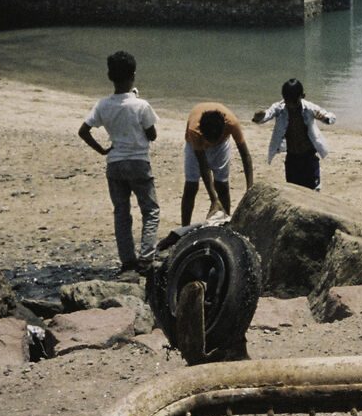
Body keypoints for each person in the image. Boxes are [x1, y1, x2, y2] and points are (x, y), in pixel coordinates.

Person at [77, 51, 160, 277]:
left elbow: (83, 131)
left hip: (115, 163)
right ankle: (146, 258)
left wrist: (101, 149)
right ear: (133, 76)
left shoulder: (102, 105)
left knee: (122, 213)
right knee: (150, 210)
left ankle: (128, 261)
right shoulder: (141, 105)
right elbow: (152, 135)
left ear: (109, 76)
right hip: (138, 162)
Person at [252, 79, 335, 191]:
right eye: (288, 102)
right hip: (292, 158)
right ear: (284, 98)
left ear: (302, 96)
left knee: (313, 191)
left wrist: (325, 118)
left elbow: (332, 117)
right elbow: (266, 115)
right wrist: (258, 117)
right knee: (293, 190)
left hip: (309, 157)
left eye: (294, 102)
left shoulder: (309, 108)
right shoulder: (279, 108)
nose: (291, 105)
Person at [180, 102, 255, 224]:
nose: (211, 144)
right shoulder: (194, 130)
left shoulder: (232, 123)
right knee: (191, 186)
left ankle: (226, 223)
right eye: (210, 141)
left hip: (221, 145)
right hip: (195, 144)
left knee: (222, 185)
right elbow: (203, 165)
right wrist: (214, 199)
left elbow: (245, 156)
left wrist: (250, 189)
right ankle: (184, 227)